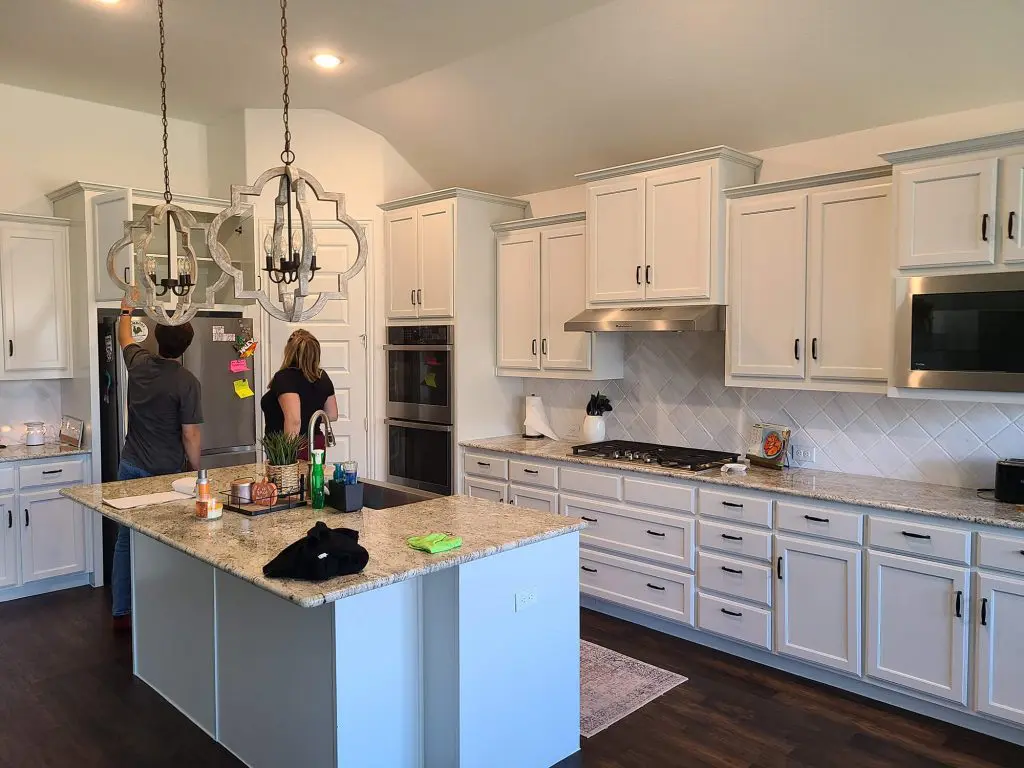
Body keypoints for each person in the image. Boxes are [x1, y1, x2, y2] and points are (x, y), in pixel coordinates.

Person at [112, 297, 203, 630]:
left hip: (131, 466)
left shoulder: (138, 363)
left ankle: (122, 613)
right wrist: (197, 471)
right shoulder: (187, 381)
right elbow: (190, 435)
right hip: (167, 475)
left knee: (126, 540)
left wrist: (126, 309)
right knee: (168, 541)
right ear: (186, 347)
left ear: (156, 337)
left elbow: (124, 335)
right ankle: (162, 612)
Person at [261, 329, 337, 458]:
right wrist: (309, 418)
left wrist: (286, 457)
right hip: (315, 443)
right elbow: (332, 415)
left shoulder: (285, 378)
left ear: (289, 350)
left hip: (290, 446)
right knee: (315, 472)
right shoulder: (322, 376)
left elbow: (294, 421)